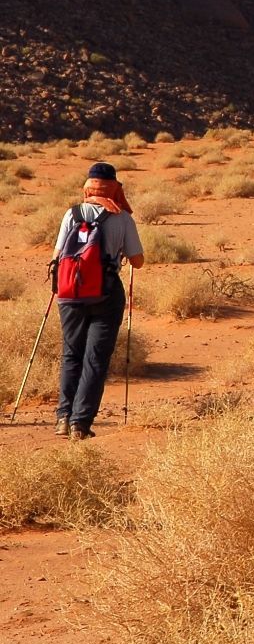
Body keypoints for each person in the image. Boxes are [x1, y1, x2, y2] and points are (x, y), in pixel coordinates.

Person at [50, 162, 144, 440]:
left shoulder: (72, 213)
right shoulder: (122, 218)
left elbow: (57, 256)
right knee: (95, 359)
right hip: (106, 292)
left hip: (69, 293)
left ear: (88, 187)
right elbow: (137, 261)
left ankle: (63, 418)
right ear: (114, 187)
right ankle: (80, 423)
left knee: (71, 355)